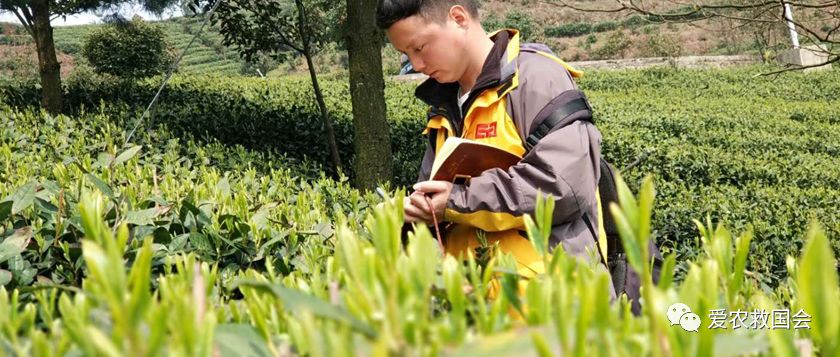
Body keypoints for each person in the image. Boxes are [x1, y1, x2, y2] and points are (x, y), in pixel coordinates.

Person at [376, 0, 615, 298]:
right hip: (478, 311)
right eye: (406, 55)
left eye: (420, 48)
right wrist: (420, 213)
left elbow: (565, 188)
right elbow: (438, 201)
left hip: (552, 308)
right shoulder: (444, 107)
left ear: (459, 18)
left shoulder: (535, 79)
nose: (417, 65)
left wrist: (456, 200)